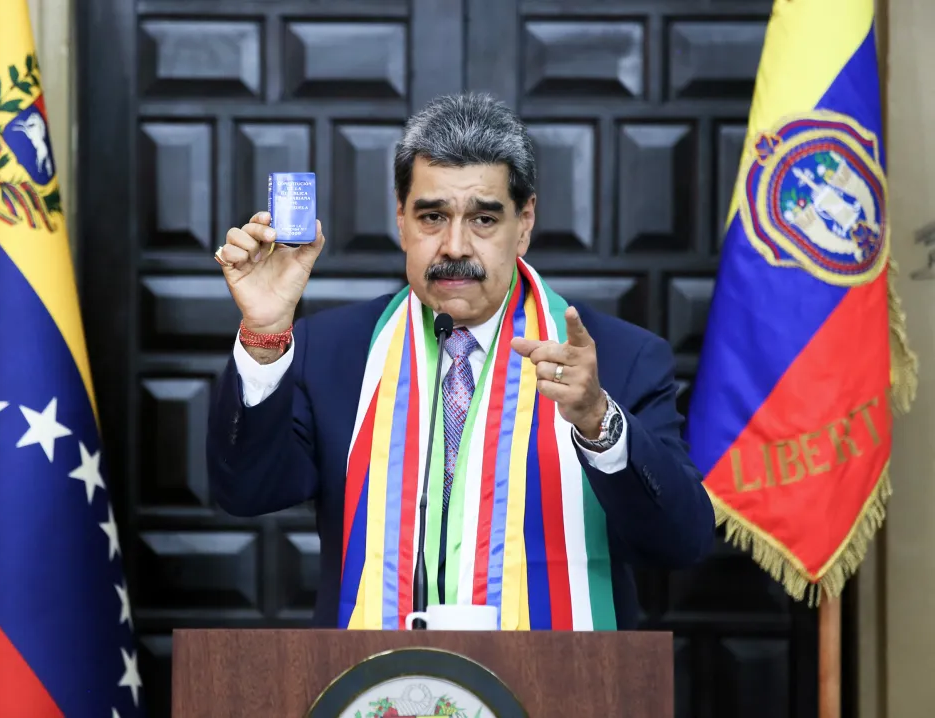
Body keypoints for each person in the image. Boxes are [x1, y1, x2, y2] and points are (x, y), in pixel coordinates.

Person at [207, 92, 715, 632]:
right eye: (432, 216)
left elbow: (681, 543)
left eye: (483, 219)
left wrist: (599, 422)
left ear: (525, 223)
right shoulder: (333, 351)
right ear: (400, 220)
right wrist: (264, 335)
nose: (454, 245)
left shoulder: (619, 358)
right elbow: (246, 493)